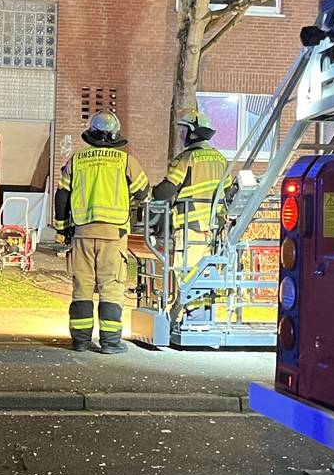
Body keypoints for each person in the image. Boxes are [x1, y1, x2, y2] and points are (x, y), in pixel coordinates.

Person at [54, 111, 149, 354]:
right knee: (111, 287)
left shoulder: (77, 160)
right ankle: (110, 343)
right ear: (115, 134)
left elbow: (62, 195)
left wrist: (62, 228)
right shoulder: (125, 161)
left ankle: (81, 341)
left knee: (82, 287)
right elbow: (143, 192)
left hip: (82, 233)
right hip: (113, 234)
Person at [152, 109, 233, 284]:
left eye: (183, 131)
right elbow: (229, 192)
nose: (181, 136)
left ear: (194, 133)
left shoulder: (185, 159)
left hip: (190, 230)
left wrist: (152, 194)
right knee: (206, 276)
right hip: (213, 231)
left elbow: (165, 191)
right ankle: (202, 310)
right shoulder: (221, 159)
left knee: (186, 278)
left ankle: (191, 311)